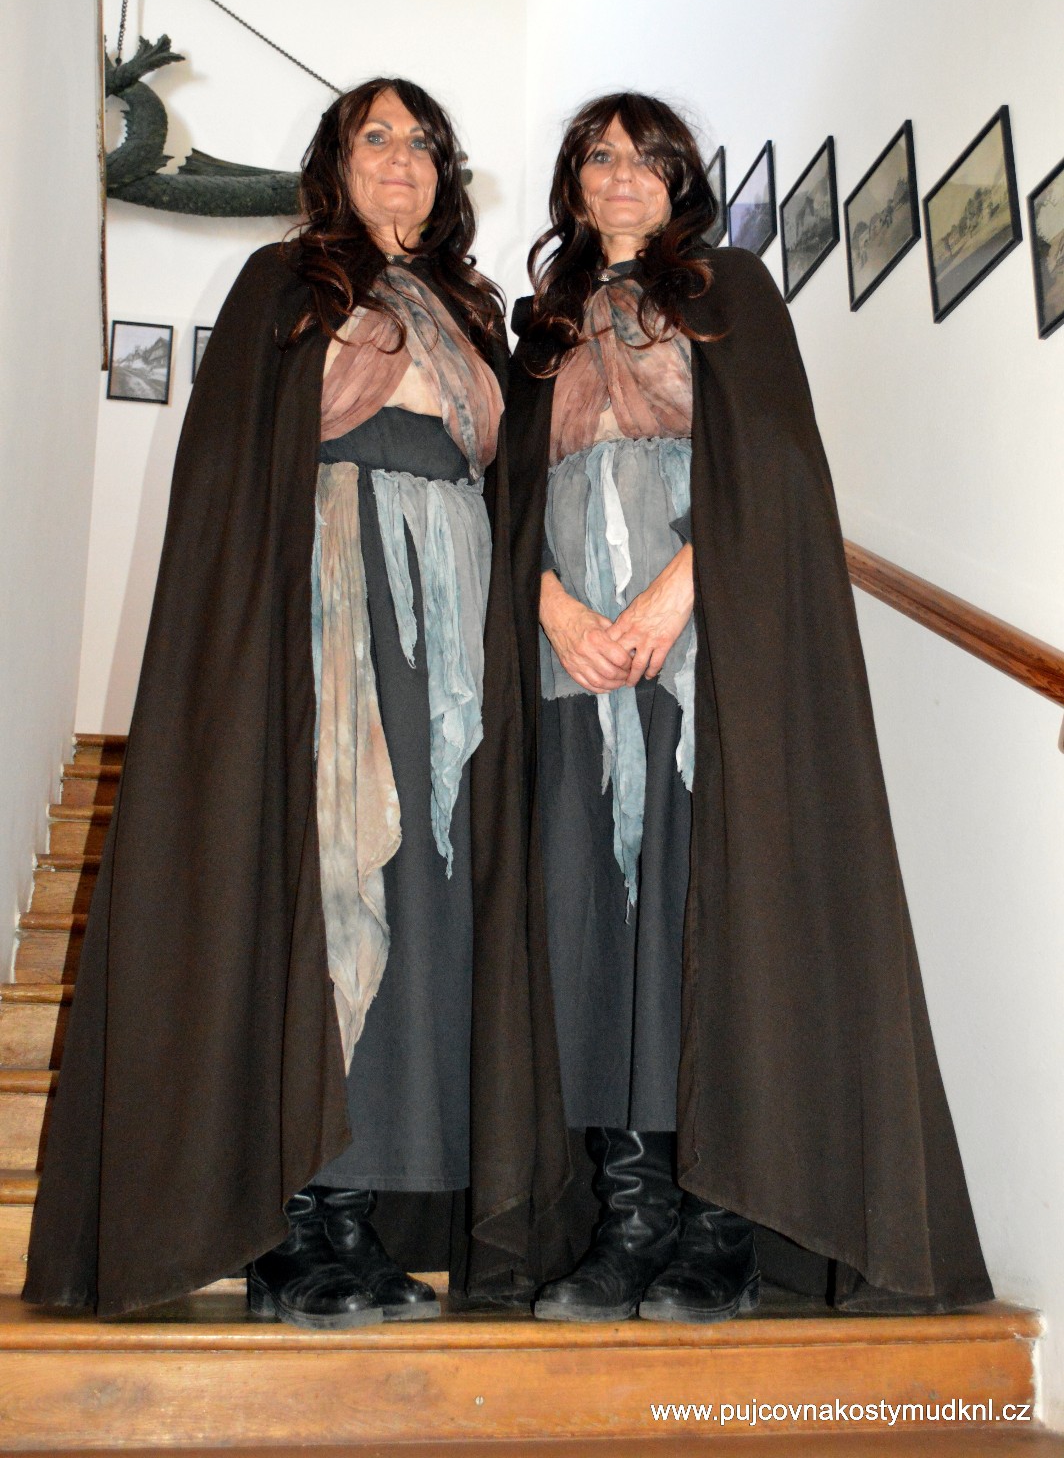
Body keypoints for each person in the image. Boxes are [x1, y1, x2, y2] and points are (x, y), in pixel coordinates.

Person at [24, 78, 524, 1327]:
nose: (400, 159)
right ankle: (292, 1219)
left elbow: (507, 470)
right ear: (333, 163)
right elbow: (238, 470)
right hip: (322, 612)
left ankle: (359, 1216)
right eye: (375, 138)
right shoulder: (284, 285)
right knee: (324, 881)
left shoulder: (473, 308)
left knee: (422, 907)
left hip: (451, 631)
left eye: (422, 143)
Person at [494, 92, 992, 1323]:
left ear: (680, 181)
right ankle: (627, 1221)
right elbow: (505, 495)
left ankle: (715, 1226)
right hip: (574, 671)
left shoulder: (731, 292)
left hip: (702, 660)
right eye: (598, 156)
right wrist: (550, 607)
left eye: (645, 158)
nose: (621, 175)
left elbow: (769, 461)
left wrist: (679, 588)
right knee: (591, 934)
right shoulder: (538, 329)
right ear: (572, 181)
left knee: (696, 915)